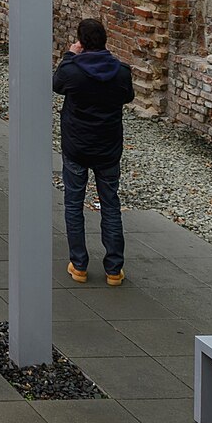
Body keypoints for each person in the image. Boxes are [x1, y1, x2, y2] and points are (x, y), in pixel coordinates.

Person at [55, 16, 135, 285]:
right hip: (108, 148)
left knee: (74, 204)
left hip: (76, 146)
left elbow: (57, 85)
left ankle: (79, 265)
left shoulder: (73, 70)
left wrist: (69, 55)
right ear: (105, 41)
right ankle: (114, 269)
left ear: (81, 42)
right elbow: (128, 96)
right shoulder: (121, 71)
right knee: (111, 205)